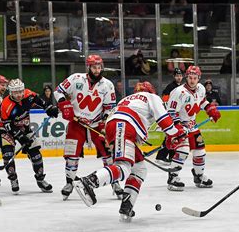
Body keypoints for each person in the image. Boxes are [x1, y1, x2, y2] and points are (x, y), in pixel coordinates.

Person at [73, 81, 187, 222]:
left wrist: (171, 137)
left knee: (139, 169)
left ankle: (126, 206)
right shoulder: (151, 97)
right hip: (124, 125)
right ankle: (89, 182)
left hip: (118, 127)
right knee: (124, 167)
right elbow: (164, 120)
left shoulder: (128, 100)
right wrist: (177, 133)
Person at [54, 54, 123, 201]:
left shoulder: (108, 85)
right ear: (88, 67)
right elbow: (58, 91)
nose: (97, 70)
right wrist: (64, 104)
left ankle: (115, 184)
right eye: (94, 67)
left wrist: (105, 122)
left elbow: (109, 108)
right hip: (76, 123)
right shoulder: (75, 79)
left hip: (97, 125)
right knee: (71, 156)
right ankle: (69, 183)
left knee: (108, 156)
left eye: (99, 67)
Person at [164, 65, 221, 191]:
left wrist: (210, 109)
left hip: (192, 125)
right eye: (190, 77)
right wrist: (178, 128)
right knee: (183, 150)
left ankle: (198, 176)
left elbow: (202, 101)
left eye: (195, 78)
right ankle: (173, 177)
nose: (192, 80)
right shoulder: (179, 92)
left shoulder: (201, 88)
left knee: (200, 151)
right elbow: (171, 112)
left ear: (199, 78)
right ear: (186, 77)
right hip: (179, 125)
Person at [0, 78, 59, 194]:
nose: (19, 95)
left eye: (20, 91)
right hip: (7, 131)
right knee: (8, 155)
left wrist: (49, 108)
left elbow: (39, 100)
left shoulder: (28, 94)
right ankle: (13, 179)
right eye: (16, 92)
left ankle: (40, 179)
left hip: (25, 128)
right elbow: (8, 126)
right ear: (10, 92)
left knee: (36, 154)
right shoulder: (5, 105)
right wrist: (20, 136)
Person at [155, 68, 184, 165]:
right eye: (177, 76)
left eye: (180, 76)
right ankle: (161, 156)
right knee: (171, 135)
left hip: (178, 114)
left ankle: (172, 156)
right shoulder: (170, 87)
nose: (179, 77)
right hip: (171, 114)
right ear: (174, 76)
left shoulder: (183, 87)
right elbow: (165, 99)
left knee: (176, 135)